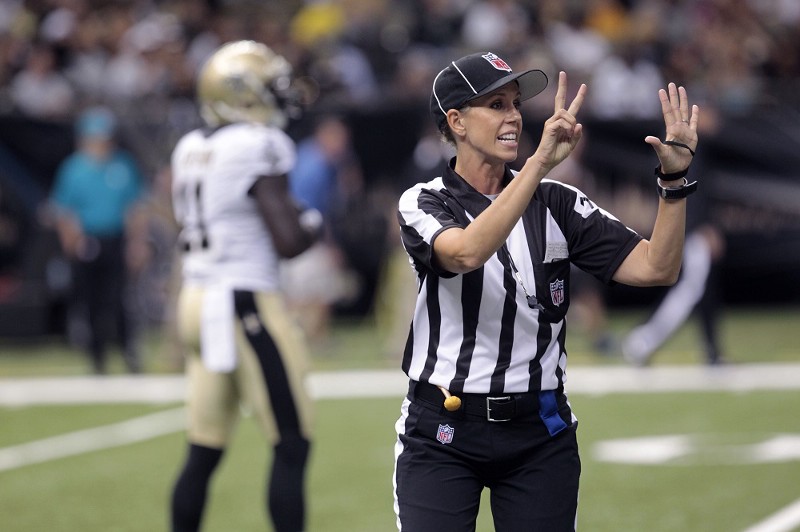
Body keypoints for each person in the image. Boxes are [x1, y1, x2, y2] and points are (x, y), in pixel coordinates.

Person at [393, 51, 699, 530]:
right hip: (442, 429)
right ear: (457, 122)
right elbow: (467, 252)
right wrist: (539, 164)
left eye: (515, 103)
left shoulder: (559, 203)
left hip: (539, 428)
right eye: (495, 105)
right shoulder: (425, 200)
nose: (513, 115)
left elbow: (657, 267)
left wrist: (674, 181)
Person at [168, 40, 321, 532]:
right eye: (270, 88)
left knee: (204, 444)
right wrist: (313, 223)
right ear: (242, 94)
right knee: (292, 441)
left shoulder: (191, 146)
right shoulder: (258, 144)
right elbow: (289, 241)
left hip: (195, 298)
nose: (280, 98)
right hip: (243, 299)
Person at [48, 106, 146, 374]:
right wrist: (71, 242)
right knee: (90, 303)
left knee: (119, 300)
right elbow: (64, 211)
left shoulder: (122, 165)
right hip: (87, 241)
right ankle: (97, 359)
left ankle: (129, 353)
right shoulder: (73, 169)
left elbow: (135, 208)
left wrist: (137, 243)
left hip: (116, 239)